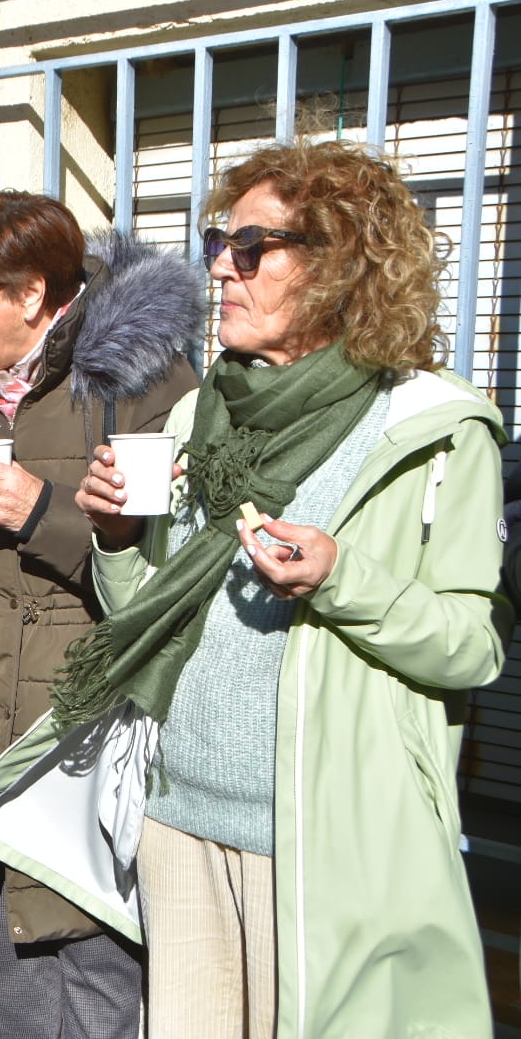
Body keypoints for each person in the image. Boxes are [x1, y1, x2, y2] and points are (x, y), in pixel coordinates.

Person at [62, 138, 507, 1034]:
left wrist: (342, 576)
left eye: (254, 248)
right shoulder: (202, 410)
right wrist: (114, 540)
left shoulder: (432, 430)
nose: (222, 267)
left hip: (318, 837)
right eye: (220, 243)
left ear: (341, 268)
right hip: (176, 818)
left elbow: (472, 647)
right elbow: (146, 613)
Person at [0, 193, 200, 1037]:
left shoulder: (145, 384)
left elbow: (172, 581)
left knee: (86, 990)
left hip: (80, 753)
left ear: (33, 296)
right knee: (17, 986)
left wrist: (41, 511)